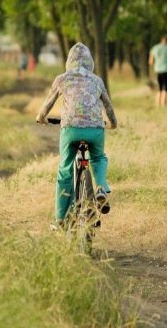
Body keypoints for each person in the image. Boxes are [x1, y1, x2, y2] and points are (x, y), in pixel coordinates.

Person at [35, 43, 118, 228]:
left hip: (70, 129)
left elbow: (47, 105)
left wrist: (41, 118)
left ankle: (60, 219)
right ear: (91, 63)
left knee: (65, 169)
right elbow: (108, 107)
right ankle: (101, 188)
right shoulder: (97, 80)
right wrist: (113, 123)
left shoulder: (62, 79)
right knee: (98, 157)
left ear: (68, 62)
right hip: (95, 129)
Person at [148, 35, 167, 106]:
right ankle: (164, 105)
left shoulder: (155, 48)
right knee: (166, 89)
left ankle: (157, 104)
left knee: (159, 89)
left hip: (157, 71)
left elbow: (150, 62)